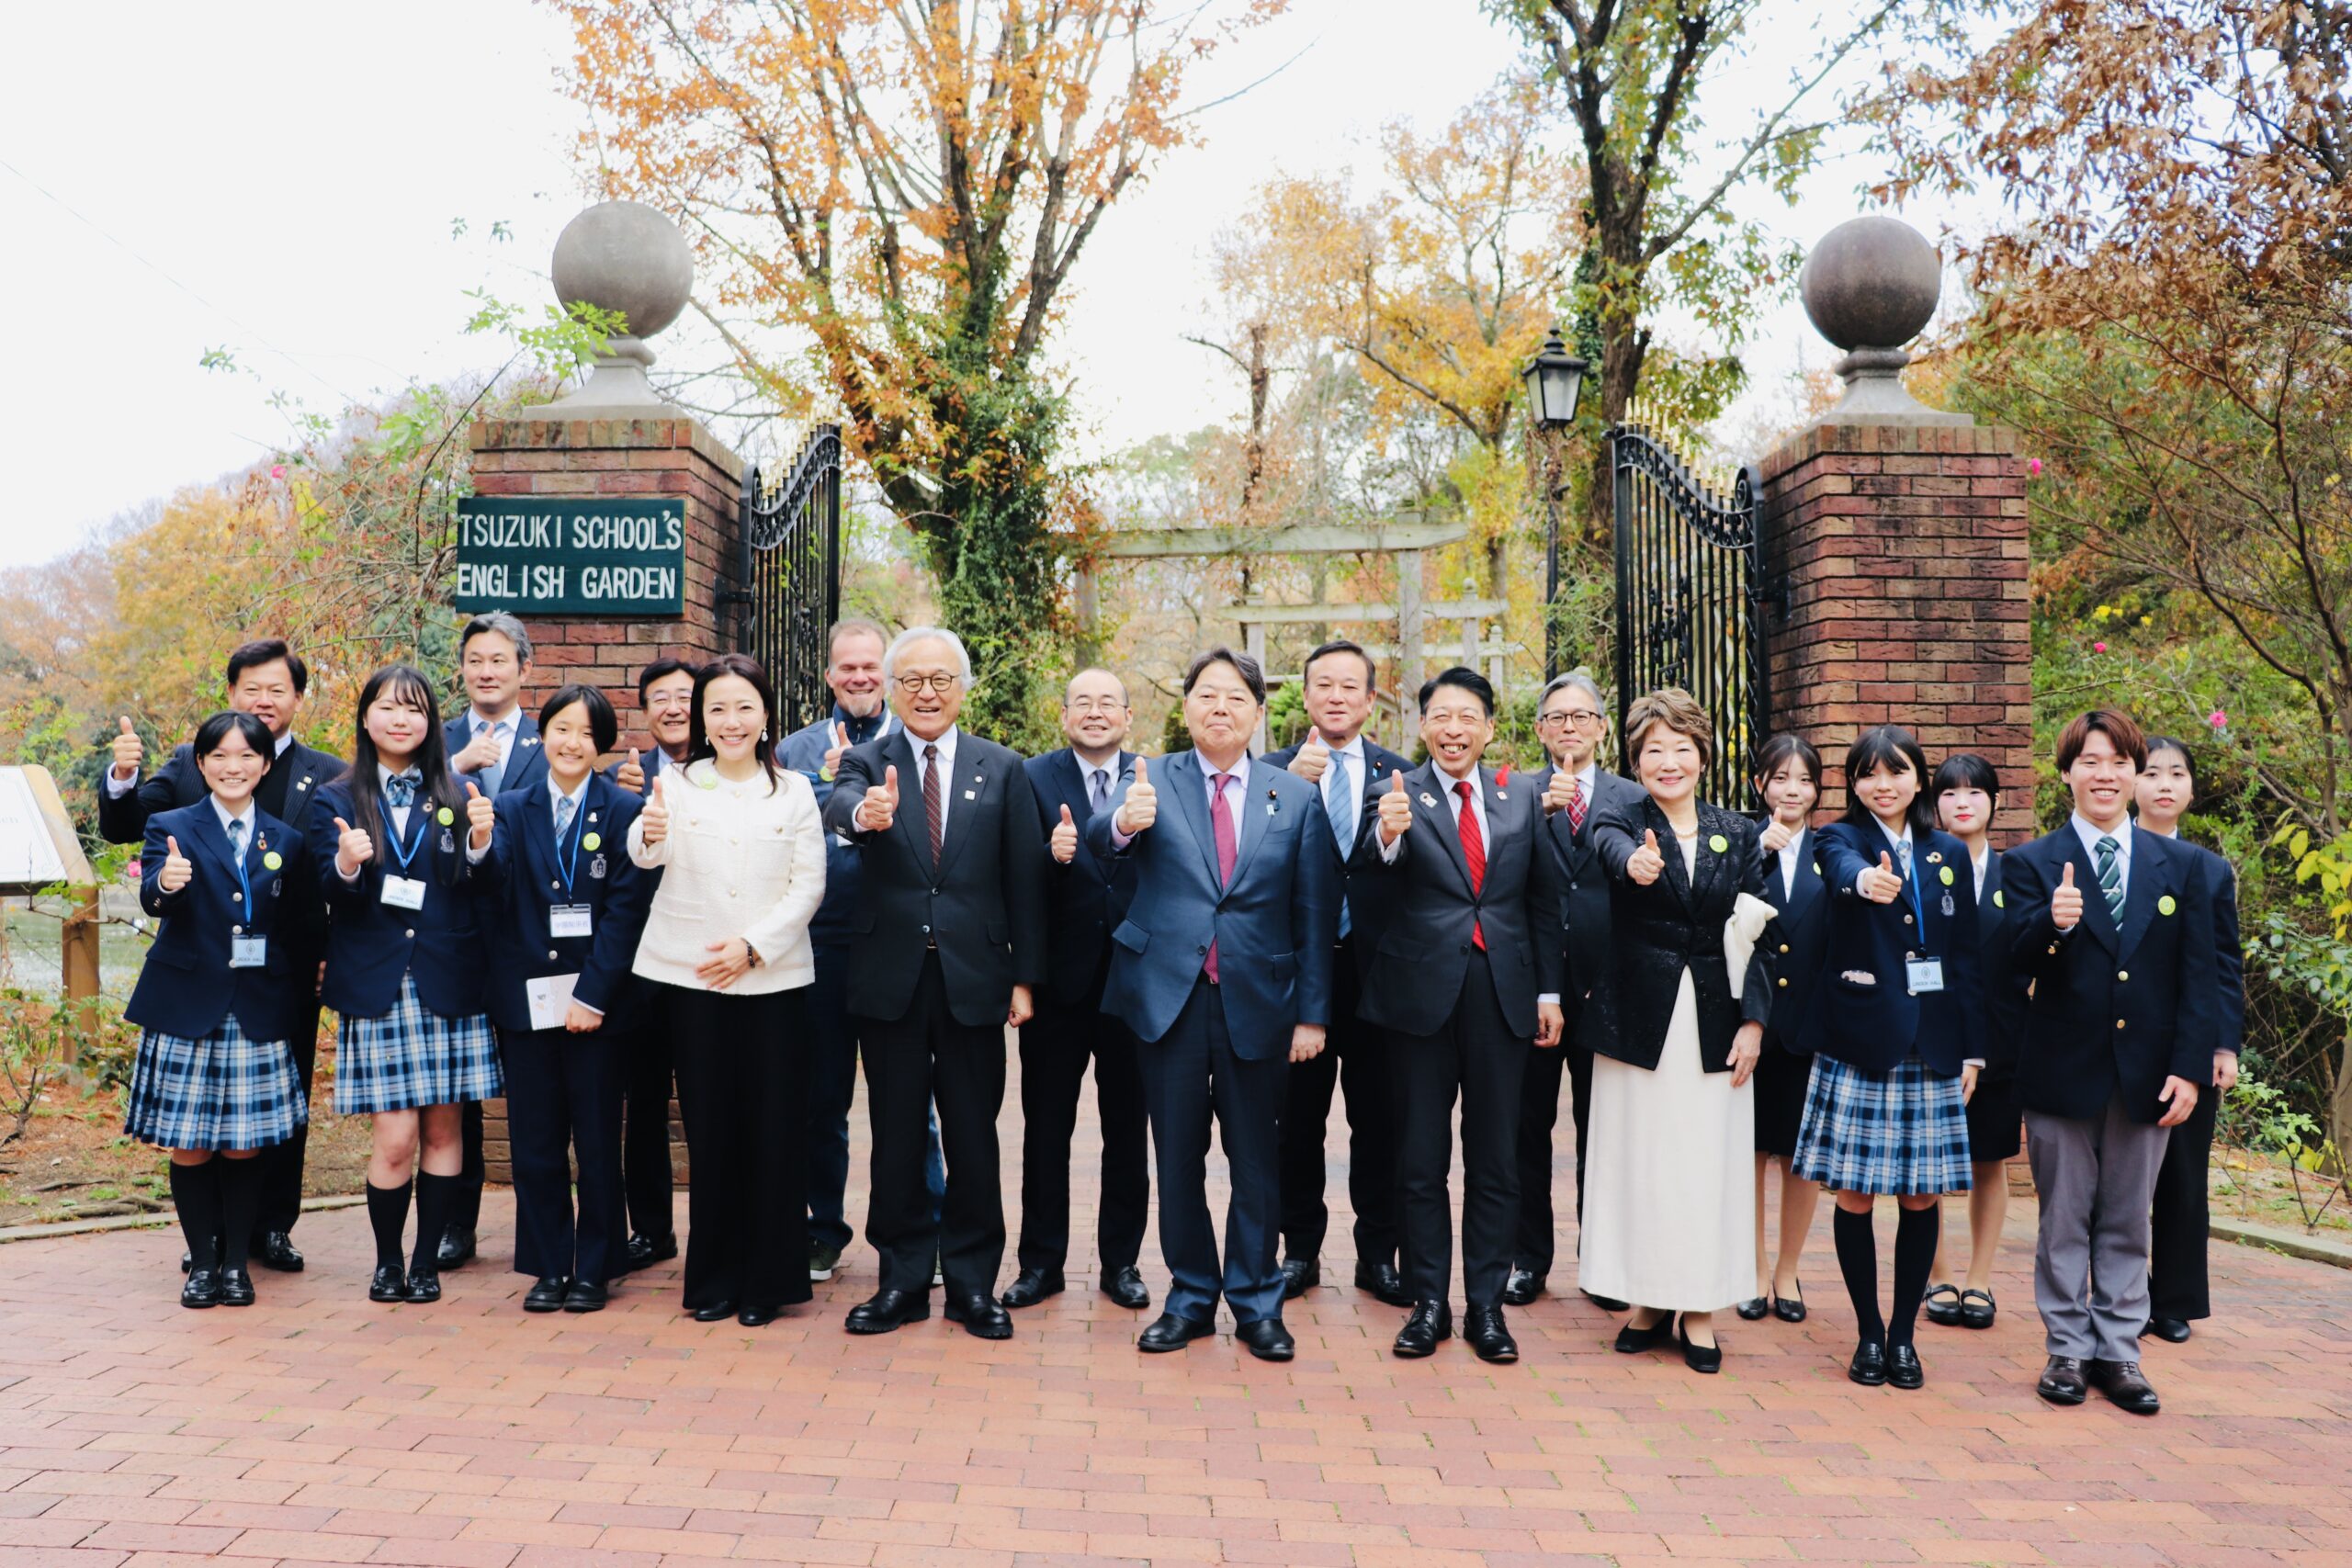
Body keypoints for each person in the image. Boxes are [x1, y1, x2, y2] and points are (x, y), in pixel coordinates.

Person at [1088, 647, 1338, 1362]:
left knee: (1256, 1158)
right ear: (1186, 706)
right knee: (1177, 1156)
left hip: (1258, 999)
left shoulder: (1293, 795)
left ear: (1258, 713)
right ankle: (1191, 1297)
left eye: (1234, 696)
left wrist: (1313, 1014)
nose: (1219, 706)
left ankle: (1257, 1302)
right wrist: (1124, 821)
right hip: (1167, 996)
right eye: (1206, 693)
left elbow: (1314, 911)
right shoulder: (1150, 777)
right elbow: (1103, 840)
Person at [824, 626, 1047, 1340]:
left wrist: (1025, 978)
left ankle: (974, 1284)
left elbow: (1024, 879)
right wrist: (865, 814)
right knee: (895, 1137)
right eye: (913, 680)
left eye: (941, 679)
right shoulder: (866, 759)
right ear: (893, 690)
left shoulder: (1002, 767)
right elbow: (841, 806)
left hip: (974, 978)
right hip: (891, 977)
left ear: (963, 688)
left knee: (974, 1135)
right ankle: (903, 1279)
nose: (927, 692)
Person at [98, 638, 341, 1273]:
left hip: (284, 975)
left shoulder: (329, 771)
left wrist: (327, 959)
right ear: (231, 692)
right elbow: (129, 831)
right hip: (199, 975)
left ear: (298, 697)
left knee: (272, 1117)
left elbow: (322, 887)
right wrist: (122, 778)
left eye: (277, 689)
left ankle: (272, 1229)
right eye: (251, 687)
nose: (264, 699)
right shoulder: (190, 760)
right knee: (199, 1128)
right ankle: (207, 1242)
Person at [2004, 709, 2220, 1416]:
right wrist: (2053, 924)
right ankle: (2067, 1348)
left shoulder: (2183, 866)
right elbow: (2011, 962)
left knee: (2129, 1218)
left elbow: (2199, 979)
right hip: (2062, 1070)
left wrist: (2190, 1067)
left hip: (2149, 1074)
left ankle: (2120, 1351)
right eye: (2090, 761)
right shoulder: (2031, 862)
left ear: (2134, 772)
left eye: (2120, 761)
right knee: (2064, 1217)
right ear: (2066, 772)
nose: (2105, 774)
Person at [1351, 668, 1564, 1363]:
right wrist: (1387, 836)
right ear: (1422, 726)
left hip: (1502, 993)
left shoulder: (1519, 794)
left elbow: (1540, 901)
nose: (1453, 729)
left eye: (1468, 716)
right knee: (1419, 1157)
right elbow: (1371, 870)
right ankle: (1429, 1304)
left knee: (1496, 1157)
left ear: (1490, 728)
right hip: (1419, 998)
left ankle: (1487, 1307)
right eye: (1440, 715)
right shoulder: (1394, 792)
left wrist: (1549, 993)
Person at [627, 653, 827, 1326]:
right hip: (694, 979)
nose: (731, 720)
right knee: (710, 1131)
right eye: (717, 708)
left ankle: (768, 1283)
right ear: (701, 719)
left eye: (744, 706)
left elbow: (809, 884)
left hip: (774, 981)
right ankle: (714, 1278)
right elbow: (646, 849)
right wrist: (648, 832)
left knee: (773, 1130)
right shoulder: (677, 783)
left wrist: (755, 946)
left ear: (765, 714)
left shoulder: (793, 790)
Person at [1581, 687, 1775, 1373]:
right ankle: (1646, 1298)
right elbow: (1605, 845)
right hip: (1638, 1019)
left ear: (1702, 755)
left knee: (1704, 1165)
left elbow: (1762, 932)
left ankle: (1697, 1307)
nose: (1669, 762)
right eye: (1654, 750)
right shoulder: (1620, 816)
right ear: (1635, 761)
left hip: (1715, 1023)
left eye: (1681, 748)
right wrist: (1632, 863)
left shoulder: (1738, 832)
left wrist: (1754, 1021)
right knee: (1641, 1163)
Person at [1792, 726, 1987, 1390]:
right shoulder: (1838, 839)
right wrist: (1867, 881)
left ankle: (1903, 1335)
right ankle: (1868, 1332)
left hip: (1933, 1042)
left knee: (1920, 1196)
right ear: (1853, 783)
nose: (1884, 784)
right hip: (1861, 1039)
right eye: (1869, 773)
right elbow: (1842, 874)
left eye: (1897, 771)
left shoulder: (1947, 851)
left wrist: (1973, 1050)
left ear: (1918, 778)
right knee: (1854, 1194)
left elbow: (1965, 958)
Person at [311, 665, 503, 1305]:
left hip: (448, 978)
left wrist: (480, 843)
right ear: (366, 718)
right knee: (395, 1139)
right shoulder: (336, 798)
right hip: (378, 984)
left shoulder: (459, 790)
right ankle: (388, 1261)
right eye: (389, 707)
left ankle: (426, 1264)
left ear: (431, 722)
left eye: (415, 709)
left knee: (445, 1132)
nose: (401, 719)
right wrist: (345, 865)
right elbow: (326, 887)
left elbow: (485, 884)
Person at [476, 685, 656, 1314]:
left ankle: (596, 1267)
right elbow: (492, 881)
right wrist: (478, 842)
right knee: (535, 1141)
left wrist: (593, 995)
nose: (572, 742)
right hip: (527, 1002)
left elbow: (626, 913)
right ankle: (549, 1266)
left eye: (586, 732)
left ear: (601, 743)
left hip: (599, 1007)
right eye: (561, 728)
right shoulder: (511, 806)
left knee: (598, 1140)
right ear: (543, 734)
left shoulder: (625, 809)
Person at [124, 711, 312, 1309]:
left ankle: (236, 1266)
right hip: (188, 1006)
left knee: (244, 1145)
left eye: (247, 755)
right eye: (221, 756)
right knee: (192, 1144)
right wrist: (166, 883)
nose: (234, 766)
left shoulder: (286, 840)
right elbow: (152, 896)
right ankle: (202, 1264)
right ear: (202, 763)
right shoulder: (171, 825)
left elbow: (299, 926)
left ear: (265, 764)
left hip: (256, 1007)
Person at [778, 617, 945, 1286]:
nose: (859, 677)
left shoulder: (915, 743)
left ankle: (924, 1230)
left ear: (889, 673)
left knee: (910, 1100)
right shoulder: (793, 750)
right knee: (821, 1099)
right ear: (829, 675)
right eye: (846, 667)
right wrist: (832, 789)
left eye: (870, 666)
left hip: (898, 944)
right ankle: (822, 1230)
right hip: (819, 943)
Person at [1263, 639, 1413, 1308]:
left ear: (1371, 699)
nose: (1336, 696)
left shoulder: (1402, 774)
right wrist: (1288, 788)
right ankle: (1299, 1250)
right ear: (1304, 695)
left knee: (1381, 1121)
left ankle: (1378, 1254)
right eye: (1323, 684)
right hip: (1299, 973)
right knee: (1296, 1122)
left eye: (1350, 685)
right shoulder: (1269, 772)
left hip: (1377, 973)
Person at [1004, 668, 1152, 1313]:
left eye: (1108, 702)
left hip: (1134, 983)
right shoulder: (1030, 777)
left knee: (1128, 1130)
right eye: (1082, 702)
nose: (1095, 712)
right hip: (1057, 984)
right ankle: (1041, 1264)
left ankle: (1121, 1263)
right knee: (1045, 1130)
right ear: (1064, 715)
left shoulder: (1154, 778)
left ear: (1127, 716)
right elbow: (1010, 875)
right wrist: (1050, 854)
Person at [1510, 671, 1645, 1312]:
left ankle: (1602, 1262)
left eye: (1581, 715)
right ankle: (1527, 1259)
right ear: (1540, 729)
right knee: (1525, 1130)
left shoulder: (1633, 797)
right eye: (1557, 717)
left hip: (1606, 990)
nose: (1569, 726)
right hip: (1531, 988)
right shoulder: (1515, 793)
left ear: (1601, 727)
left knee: (1604, 1132)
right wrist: (1538, 812)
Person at [436, 612, 550, 1272]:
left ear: (523, 669)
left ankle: (541, 1228)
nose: (486, 671)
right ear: (462, 668)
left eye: (499, 659)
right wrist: (454, 768)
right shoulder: (437, 741)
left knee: (534, 1086)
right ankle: (458, 1223)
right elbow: (398, 808)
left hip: (528, 938)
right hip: (454, 937)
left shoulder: (548, 739)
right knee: (460, 1092)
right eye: (475, 659)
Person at [2137, 737, 2245, 1345]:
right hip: (2120, 1038)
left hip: (2190, 1040)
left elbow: (2226, 963)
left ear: (2191, 788)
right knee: (2117, 1181)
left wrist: (2223, 1045)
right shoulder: (2105, 859)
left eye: (2176, 774)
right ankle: (2121, 1292)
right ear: (2131, 783)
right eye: (2152, 772)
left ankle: (2174, 1300)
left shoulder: (2209, 869)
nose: (2164, 784)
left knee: (2183, 1178)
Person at [1923, 752, 2029, 1331]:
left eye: (1974, 792)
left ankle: (1980, 1278)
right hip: (1935, 1037)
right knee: (1930, 1163)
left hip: (2002, 1037)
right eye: (1949, 793)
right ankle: (1936, 1273)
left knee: (1991, 1158)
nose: (1962, 802)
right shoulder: (1919, 864)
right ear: (1934, 804)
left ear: (1995, 801)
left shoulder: (2019, 873)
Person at [607, 656, 699, 1272]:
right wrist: (624, 806)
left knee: (708, 1099)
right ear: (644, 712)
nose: (673, 707)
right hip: (642, 966)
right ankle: (652, 1229)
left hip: (706, 964)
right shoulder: (623, 781)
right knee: (643, 1104)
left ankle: (721, 1227)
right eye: (660, 698)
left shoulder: (729, 772)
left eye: (684, 696)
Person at [1740, 733, 1827, 1325]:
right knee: (1749, 1151)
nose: (1791, 790)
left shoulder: (1834, 849)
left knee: (1801, 1156)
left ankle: (1787, 1270)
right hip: (1752, 1020)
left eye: (1803, 780)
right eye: (1779, 779)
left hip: (1810, 1025)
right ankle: (1751, 1268)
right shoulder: (1740, 843)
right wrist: (1756, 854)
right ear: (1760, 785)